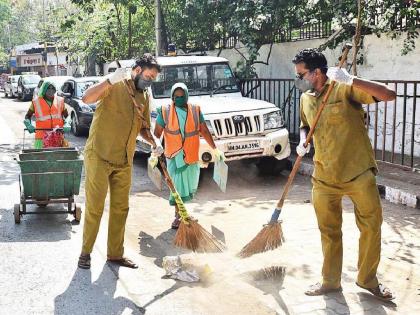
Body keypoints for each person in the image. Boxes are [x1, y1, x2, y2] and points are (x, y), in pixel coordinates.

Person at [292, 48, 396, 300]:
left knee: (371, 226)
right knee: (328, 231)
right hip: (324, 176)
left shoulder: (343, 89)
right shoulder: (307, 98)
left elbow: (388, 94)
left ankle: (367, 279)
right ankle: (330, 281)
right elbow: (305, 125)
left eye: (302, 73)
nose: (300, 78)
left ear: (317, 72)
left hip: (358, 172)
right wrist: (303, 141)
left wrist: (351, 79)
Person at [78, 54, 162, 269]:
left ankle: (115, 254)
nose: (150, 80)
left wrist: (154, 141)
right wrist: (109, 80)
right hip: (100, 155)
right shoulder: (115, 86)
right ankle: (86, 253)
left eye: (153, 78)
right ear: (136, 70)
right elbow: (86, 98)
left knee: (120, 208)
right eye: (148, 76)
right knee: (95, 208)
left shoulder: (143, 96)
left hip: (125, 159)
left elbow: (143, 127)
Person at [153, 83, 223, 229]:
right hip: (174, 156)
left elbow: (204, 130)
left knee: (188, 185)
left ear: (187, 95)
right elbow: (157, 134)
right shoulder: (165, 111)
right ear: (172, 96)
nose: (178, 99)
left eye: (181, 96)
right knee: (177, 187)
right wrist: (154, 150)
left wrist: (214, 149)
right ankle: (178, 216)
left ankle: (182, 214)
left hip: (190, 155)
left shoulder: (195, 111)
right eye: (176, 96)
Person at [23, 81, 71, 148]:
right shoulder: (36, 102)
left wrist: (67, 123)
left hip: (57, 136)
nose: (51, 90)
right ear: (44, 89)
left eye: (53, 88)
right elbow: (28, 116)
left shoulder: (60, 101)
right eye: (48, 88)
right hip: (41, 137)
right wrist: (28, 124)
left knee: (59, 157)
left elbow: (67, 116)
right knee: (42, 157)